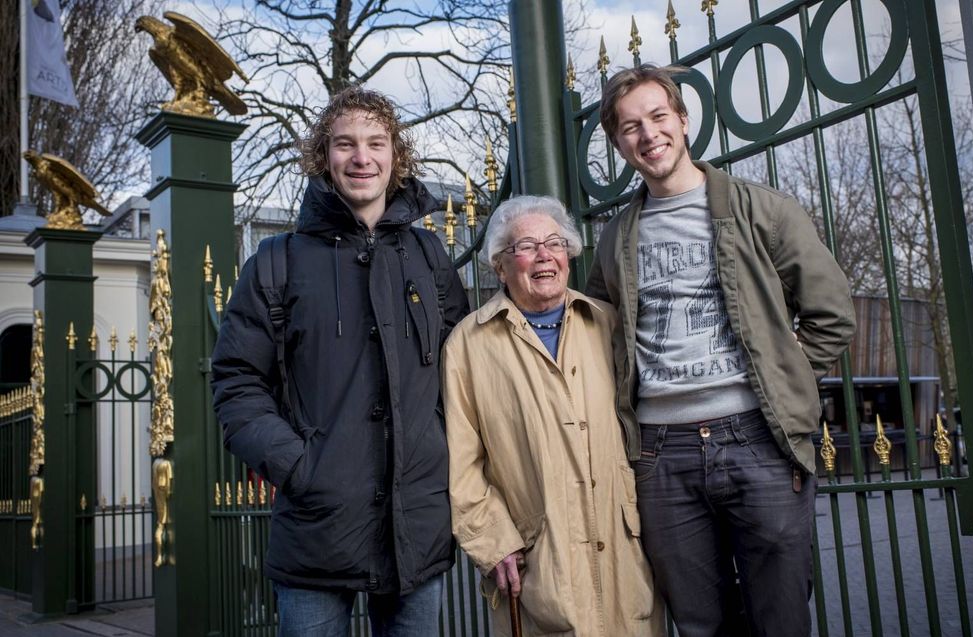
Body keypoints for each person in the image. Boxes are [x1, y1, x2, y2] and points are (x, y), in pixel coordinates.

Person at [586, 64, 856, 636]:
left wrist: (783, 384)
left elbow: (831, 313)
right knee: (700, 623)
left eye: (659, 117)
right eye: (630, 127)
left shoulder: (765, 211)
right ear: (618, 143)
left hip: (758, 439)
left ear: (683, 121)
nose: (648, 134)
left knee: (778, 619)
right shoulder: (615, 238)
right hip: (660, 455)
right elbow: (593, 327)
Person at [210, 86, 469, 636]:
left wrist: (440, 458)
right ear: (323, 156)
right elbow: (237, 382)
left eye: (376, 143)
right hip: (315, 531)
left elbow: (464, 373)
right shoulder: (276, 263)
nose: (361, 157)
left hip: (417, 530)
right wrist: (299, 468)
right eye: (345, 143)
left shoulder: (431, 257)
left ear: (396, 155)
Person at [442, 195, 664, 637]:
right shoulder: (468, 345)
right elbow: (461, 464)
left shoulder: (608, 323)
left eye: (555, 243)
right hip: (539, 561)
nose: (544, 255)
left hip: (625, 552)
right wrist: (492, 542)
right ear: (500, 266)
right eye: (525, 246)